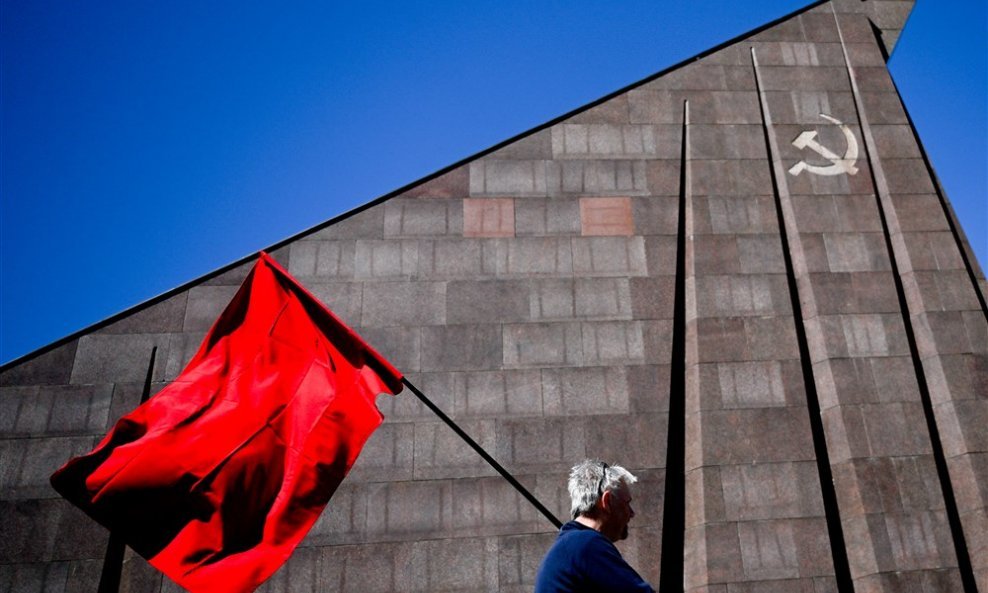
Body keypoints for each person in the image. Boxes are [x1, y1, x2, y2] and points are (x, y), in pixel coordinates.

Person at [534, 459, 655, 593]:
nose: (632, 513)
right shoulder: (586, 544)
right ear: (607, 501)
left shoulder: (571, 545)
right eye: (627, 503)